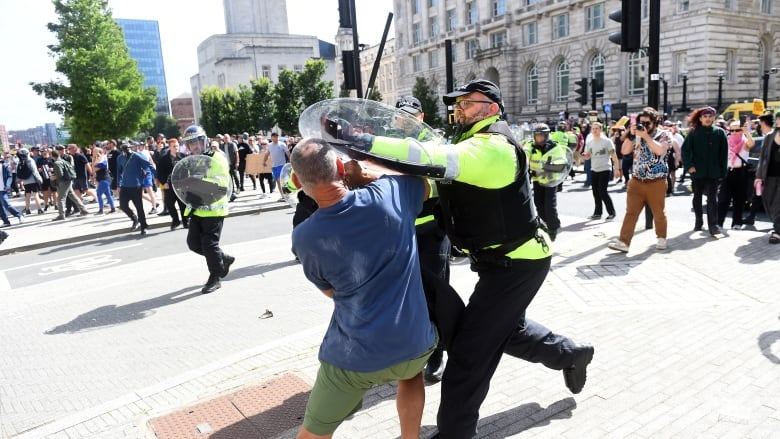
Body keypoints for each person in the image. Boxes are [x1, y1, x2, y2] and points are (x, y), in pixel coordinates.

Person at [325, 79, 593, 439]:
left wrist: (363, 140)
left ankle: (455, 433)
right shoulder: (469, 143)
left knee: (468, 356)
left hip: (518, 264)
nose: (460, 108)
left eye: (469, 102)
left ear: (493, 108)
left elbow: (431, 159)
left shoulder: (493, 147)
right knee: (500, 331)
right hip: (499, 261)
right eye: (459, 103)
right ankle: (569, 354)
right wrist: (372, 178)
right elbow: (435, 182)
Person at [289, 138, 436, 439]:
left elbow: (331, 292)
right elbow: (423, 184)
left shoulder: (304, 237)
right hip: (413, 342)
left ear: (295, 181)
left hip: (353, 357)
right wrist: (369, 175)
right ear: (342, 167)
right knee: (411, 375)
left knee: (312, 434)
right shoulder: (390, 194)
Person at [608, 107, 673, 253]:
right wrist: (631, 136)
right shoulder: (636, 135)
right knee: (631, 212)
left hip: (656, 181)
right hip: (637, 180)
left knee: (658, 212)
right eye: (640, 122)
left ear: (655, 123)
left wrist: (646, 137)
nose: (643, 125)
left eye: (647, 123)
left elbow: (660, 151)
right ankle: (624, 242)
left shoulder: (665, 135)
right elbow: (624, 151)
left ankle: (661, 237)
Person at [179, 125, 234, 294]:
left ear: (204, 141)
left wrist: (198, 184)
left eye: (197, 142)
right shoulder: (192, 160)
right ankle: (222, 258)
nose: (194, 146)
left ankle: (215, 276)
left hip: (214, 207)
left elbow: (221, 184)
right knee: (193, 243)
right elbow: (187, 183)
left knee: (209, 244)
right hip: (197, 207)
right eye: (191, 144)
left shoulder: (216, 157)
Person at [681, 106, 729, 236]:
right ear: (701, 118)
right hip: (697, 172)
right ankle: (698, 221)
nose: (707, 119)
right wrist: (689, 166)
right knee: (697, 197)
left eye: (710, 117)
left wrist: (723, 171)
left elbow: (724, 154)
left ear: (714, 118)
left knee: (713, 199)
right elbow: (685, 150)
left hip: (714, 172)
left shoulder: (720, 133)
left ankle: (713, 226)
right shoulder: (694, 132)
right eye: (705, 117)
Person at [524, 123, 568, 240]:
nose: (538, 138)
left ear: (546, 135)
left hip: (550, 181)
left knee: (549, 206)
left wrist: (548, 167)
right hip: (537, 180)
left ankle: (553, 228)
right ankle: (544, 224)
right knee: (538, 204)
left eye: (541, 136)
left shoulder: (554, 147)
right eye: (536, 136)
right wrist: (525, 160)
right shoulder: (531, 146)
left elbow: (562, 165)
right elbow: (526, 153)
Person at [717, 120, 755, 230]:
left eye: (737, 130)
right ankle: (719, 223)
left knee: (739, 199)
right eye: (731, 130)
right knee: (723, 199)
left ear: (741, 130)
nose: (734, 132)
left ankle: (737, 223)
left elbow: (751, 143)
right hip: (728, 172)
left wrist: (746, 131)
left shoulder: (745, 141)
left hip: (741, 172)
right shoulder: (726, 141)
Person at [582, 122, 621, 220]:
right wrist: (585, 156)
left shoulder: (607, 141)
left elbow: (614, 156)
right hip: (594, 169)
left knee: (603, 192)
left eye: (597, 129)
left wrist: (616, 169)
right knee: (595, 192)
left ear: (601, 130)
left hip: (605, 169)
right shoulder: (590, 143)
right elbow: (588, 156)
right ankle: (597, 213)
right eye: (593, 129)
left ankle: (612, 212)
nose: (594, 131)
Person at [753, 112, 780, 244]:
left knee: (778, 203)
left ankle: (777, 231)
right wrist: (758, 176)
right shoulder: (770, 136)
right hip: (769, 176)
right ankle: (777, 224)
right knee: (768, 201)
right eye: (778, 118)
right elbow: (762, 158)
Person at [118, 142, 154, 235]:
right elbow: (118, 171)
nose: (126, 150)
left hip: (136, 185)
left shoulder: (137, 156)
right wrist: (118, 184)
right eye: (124, 149)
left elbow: (148, 166)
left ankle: (144, 226)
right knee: (123, 205)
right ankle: (135, 219)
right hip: (125, 186)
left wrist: (155, 177)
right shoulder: (120, 158)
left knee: (139, 207)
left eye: (128, 148)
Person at [156, 138, 188, 230]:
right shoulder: (163, 159)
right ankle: (176, 220)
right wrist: (164, 182)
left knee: (183, 205)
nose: (176, 148)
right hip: (169, 185)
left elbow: (187, 170)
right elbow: (160, 172)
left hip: (181, 184)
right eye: (174, 146)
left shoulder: (182, 156)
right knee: (169, 204)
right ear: (170, 147)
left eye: (177, 146)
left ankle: (186, 222)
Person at [50, 148, 89, 221]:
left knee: (60, 198)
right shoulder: (63, 161)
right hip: (68, 180)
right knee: (73, 196)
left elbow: (60, 174)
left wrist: (53, 177)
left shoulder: (56, 163)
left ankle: (61, 215)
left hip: (63, 182)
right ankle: (83, 210)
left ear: (52, 156)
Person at [264, 132, 290, 201]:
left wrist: (291, 162)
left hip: (281, 165)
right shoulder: (269, 145)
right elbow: (267, 154)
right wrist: (264, 161)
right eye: (274, 137)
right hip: (274, 166)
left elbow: (288, 153)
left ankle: (286, 195)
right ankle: (283, 196)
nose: (275, 138)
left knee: (280, 180)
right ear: (271, 138)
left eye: (276, 137)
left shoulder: (282, 144)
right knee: (278, 182)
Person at [91, 146, 115, 214]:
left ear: (98, 152)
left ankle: (101, 210)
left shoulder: (103, 160)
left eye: (94, 151)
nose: (93, 152)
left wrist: (93, 161)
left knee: (99, 194)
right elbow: (94, 170)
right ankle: (113, 208)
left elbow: (94, 169)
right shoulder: (97, 160)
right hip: (102, 179)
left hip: (105, 179)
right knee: (108, 194)